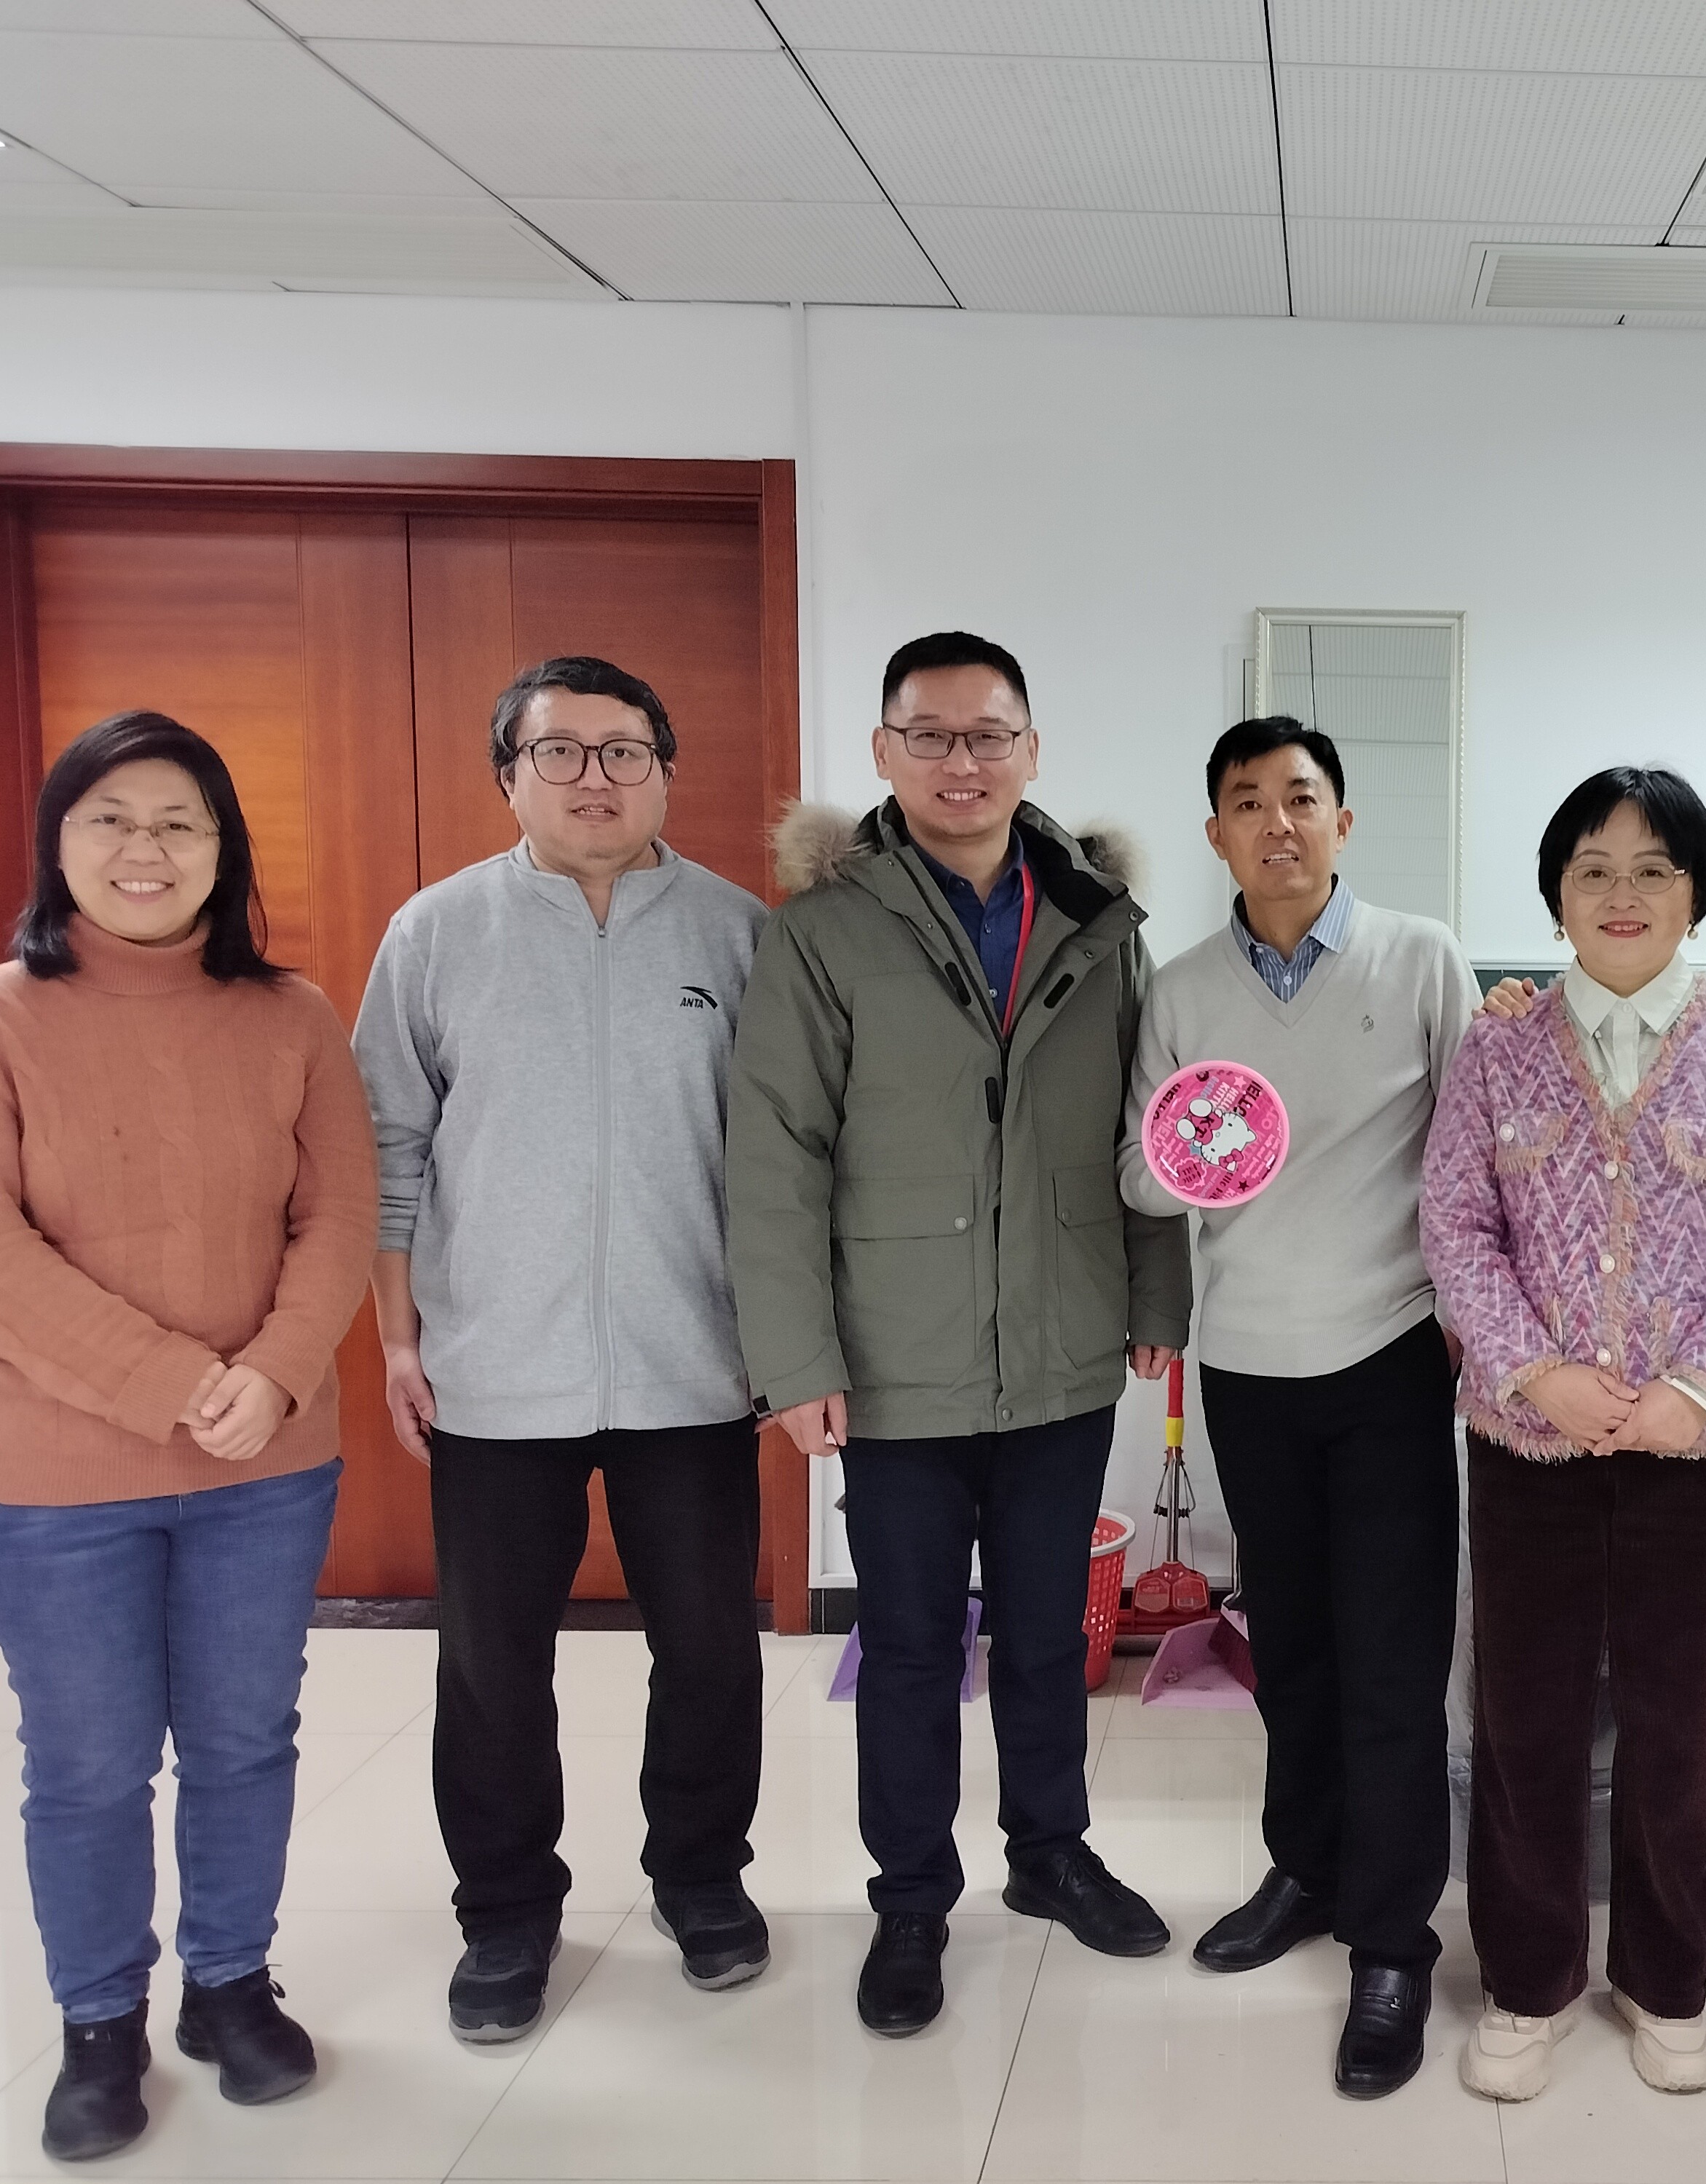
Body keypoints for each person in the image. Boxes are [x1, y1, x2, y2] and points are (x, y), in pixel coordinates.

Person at [0, 713, 377, 2161]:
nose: (146, 849)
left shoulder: (291, 1015)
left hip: (264, 1466)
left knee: (244, 1740)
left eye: (180, 821)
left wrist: (277, 1372)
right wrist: (181, 1381)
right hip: (55, 1478)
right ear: (57, 842)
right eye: (110, 818)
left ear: (221, 850)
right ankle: (99, 2023)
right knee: (90, 1763)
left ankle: (230, 1986)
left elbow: (339, 1217)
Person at [729, 630, 1190, 2038]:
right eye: (928, 735)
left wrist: (1157, 1297)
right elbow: (776, 1155)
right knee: (915, 1647)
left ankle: (1050, 1856)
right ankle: (913, 1899)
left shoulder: (1099, 921)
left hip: (1062, 1342)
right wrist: (797, 1360)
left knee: (1051, 1634)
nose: (961, 761)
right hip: (894, 1360)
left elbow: (1147, 1128)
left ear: (1031, 751)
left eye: (989, 734)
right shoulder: (823, 929)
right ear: (884, 753)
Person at [355, 655, 772, 2043]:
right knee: (492, 1664)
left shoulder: (736, 933)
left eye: (624, 750)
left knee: (709, 1647)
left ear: (665, 770)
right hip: (495, 1368)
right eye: (560, 752)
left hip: (691, 1361)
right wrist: (398, 1331)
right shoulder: (436, 933)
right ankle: (506, 1909)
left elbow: (785, 1162)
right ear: (510, 776)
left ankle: (700, 1876)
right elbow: (388, 1145)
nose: (596, 776)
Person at [1421, 767, 1706, 2103]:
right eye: (1593, 869)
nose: (1622, 893)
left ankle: (1665, 1982)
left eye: (1654, 870)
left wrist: (1695, 1390)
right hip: (1526, 1440)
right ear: (1556, 894)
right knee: (1523, 1720)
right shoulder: (1498, 1044)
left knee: (1682, 1724)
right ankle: (1527, 1982)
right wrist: (1534, 1371)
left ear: (1694, 895)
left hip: (1703, 1452)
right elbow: (1455, 1225)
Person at [1118, 716, 1479, 2098]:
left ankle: (1392, 1941)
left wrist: (1475, 1323)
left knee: (1393, 1658)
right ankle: (1306, 1870)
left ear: (1343, 821)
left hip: (1391, 1352)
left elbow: (1478, 1149)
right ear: (1216, 832)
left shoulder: (1421, 958)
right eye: (1248, 801)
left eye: (1302, 797)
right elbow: (1139, 1173)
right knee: (1294, 1647)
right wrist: (1200, 1144)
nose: (1278, 821)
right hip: (1248, 1361)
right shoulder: (1182, 989)